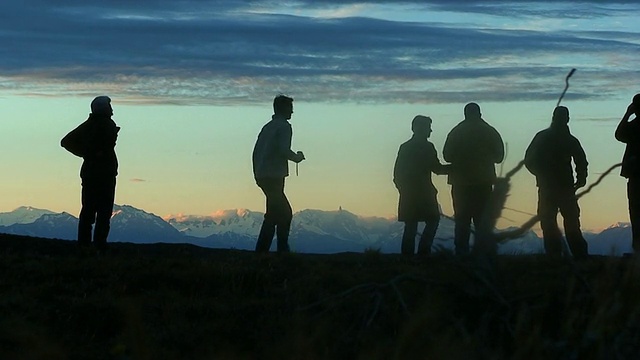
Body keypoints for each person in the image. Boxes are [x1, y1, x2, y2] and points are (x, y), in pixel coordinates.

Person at [524, 106, 588, 258]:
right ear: (567, 119)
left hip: (550, 187)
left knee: (549, 220)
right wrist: (581, 179)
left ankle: (554, 253)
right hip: (565, 186)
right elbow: (581, 161)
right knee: (570, 220)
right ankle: (578, 254)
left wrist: (540, 175)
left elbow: (528, 160)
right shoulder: (570, 140)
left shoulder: (542, 137)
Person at [443, 103, 504, 255]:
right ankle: (483, 254)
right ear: (480, 113)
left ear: (465, 114)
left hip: (461, 183)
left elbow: (447, 155)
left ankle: (461, 254)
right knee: (482, 221)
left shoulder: (456, 132)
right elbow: (499, 157)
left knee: (462, 220)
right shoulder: (489, 131)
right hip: (484, 183)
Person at [61, 96, 119, 251]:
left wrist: (87, 153)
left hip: (92, 173)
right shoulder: (103, 125)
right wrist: (91, 153)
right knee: (102, 211)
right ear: (104, 109)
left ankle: (85, 244)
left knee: (90, 210)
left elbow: (66, 141)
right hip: (102, 174)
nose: (112, 111)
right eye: (109, 107)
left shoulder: (90, 125)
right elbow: (66, 142)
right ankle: (98, 244)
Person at [252, 95, 305, 253]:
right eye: (290, 108)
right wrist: (296, 158)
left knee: (273, 213)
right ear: (284, 109)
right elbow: (283, 150)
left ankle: (263, 251)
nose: (292, 112)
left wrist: (257, 172)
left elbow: (256, 152)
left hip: (262, 174)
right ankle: (281, 249)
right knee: (285, 213)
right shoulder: (284, 127)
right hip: (274, 176)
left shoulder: (268, 127)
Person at [393, 115, 450, 255]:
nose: (431, 131)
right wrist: (456, 168)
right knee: (432, 221)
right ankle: (423, 253)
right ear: (422, 129)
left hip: (410, 193)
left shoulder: (405, 147)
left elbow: (397, 174)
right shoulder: (428, 147)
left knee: (411, 226)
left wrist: (403, 189)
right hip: (425, 193)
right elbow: (437, 169)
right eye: (428, 128)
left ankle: (408, 258)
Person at [615, 94, 640, 253]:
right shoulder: (635, 126)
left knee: (636, 212)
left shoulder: (635, 126)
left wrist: (627, 114)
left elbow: (619, 134)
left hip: (636, 176)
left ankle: (637, 248)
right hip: (635, 175)